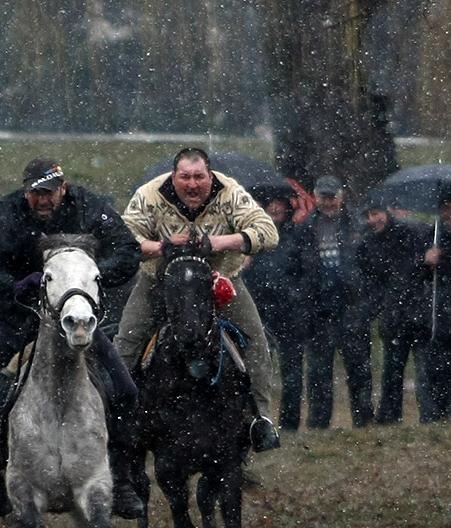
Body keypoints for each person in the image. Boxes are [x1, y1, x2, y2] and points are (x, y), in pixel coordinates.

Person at [0, 157, 142, 528]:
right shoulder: (7, 213)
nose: (42, 201)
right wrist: (13, 286)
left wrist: (88, 281)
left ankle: (122, 482)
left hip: (79, 324)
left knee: (125, 391)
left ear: (63, 188)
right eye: (35, 193)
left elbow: (127, 250)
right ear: (25, 191)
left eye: (48, 193)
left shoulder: (90, 207)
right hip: (21, 322)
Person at [116, 147, 281, 449]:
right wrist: (161, 246)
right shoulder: (149, 195)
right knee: (126, 341)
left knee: (256, 340)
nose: (192, 184)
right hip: (159, 281)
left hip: (220, 281)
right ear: (173, 176)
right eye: (185, 177)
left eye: (199, 177)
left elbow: (268, 232)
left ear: (210, 175)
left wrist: (221, 242)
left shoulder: (231, 193)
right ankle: (115, 418)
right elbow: (122, 240)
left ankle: (260, 418)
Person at [294, 175, 373, 428]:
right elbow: (296, 270)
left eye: (332, 196)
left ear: (342, 196)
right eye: (323, 196)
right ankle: (318, 424)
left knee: (359, 370)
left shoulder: (359, 225)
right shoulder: (306, 228)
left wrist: (365, 306)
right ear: (316, 197)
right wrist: (303, 300)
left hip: (352, 308)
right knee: (318, 373)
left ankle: (364, 422)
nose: (328, 202)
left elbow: (373, 269)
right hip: (319, 311)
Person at [356, 190, 431, 424]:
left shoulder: (412, 232)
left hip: (418, 312)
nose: (372, 220)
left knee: (425, 372)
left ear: (386, 212)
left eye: (376, 214)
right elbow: (370, 276)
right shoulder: (367, 243)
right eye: (368, 215)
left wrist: (425, 261)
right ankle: (389, 418)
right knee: (392, 371)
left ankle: (430, 416)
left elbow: (416, 270)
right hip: (392, 314)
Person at [242, 192, 307, 431]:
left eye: (280, 203)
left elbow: (307, 272)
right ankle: (259, 421)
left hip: (290, 314)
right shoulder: (253, 238)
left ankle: (290, 425)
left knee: (292, 372)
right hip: (259, 312)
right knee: (258, 369)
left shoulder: (296, 237)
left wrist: (295, 295)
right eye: (271, 203)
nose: (275, 208)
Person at [422, 195, 451, 422]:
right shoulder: (434, 234)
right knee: (437, 364)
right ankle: (439, 411)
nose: (448, 213)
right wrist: (427, 260)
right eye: (445, 208)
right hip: (439, 308)